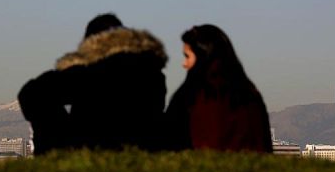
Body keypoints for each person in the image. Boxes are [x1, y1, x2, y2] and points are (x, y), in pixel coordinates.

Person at [18, 13, 168, 154]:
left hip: (91, 148)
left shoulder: (90, 72)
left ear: (91, 43)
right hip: (145, 149)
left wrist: (57, 134)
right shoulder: (153, 72)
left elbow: (31, 93)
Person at [165, 24, 272, 153]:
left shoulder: (193, 96)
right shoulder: (249, 95)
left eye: (187, 56)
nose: (184, 63)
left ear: (202, 55)